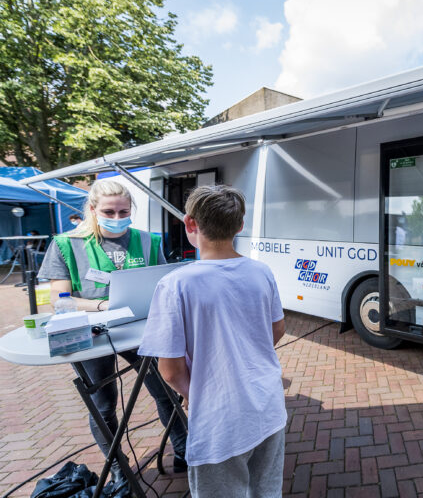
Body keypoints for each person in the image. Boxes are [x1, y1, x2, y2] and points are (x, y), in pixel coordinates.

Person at [36, 179, 187, 486]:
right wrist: (101, 305)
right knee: (103, 405)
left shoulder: (147, 240)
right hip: (92, 334)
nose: (117, 218)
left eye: (124, 211)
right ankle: (120, 469)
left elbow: (160, 282)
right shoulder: (67, 244)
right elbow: (57, 298)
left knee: (165, 390)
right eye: (109, 211)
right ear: (92, 210)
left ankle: (185, 450)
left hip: (141, 330)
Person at [139, 185, 287, 498]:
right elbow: (277, 330)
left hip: (221, 417)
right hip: (269, 406)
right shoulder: (262, 272)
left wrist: (195, 394)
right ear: (240, 225)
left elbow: (169, 370)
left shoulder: (175, 284)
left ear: (190, 223)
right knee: (266, 491)